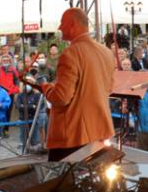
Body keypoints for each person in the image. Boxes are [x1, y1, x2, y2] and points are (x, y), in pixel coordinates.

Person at [40, 8, 116, 161]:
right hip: (100, 130)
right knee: (96, 182)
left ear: (72, 24)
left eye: (62, 23)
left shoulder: (70, 54)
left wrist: (46, 88)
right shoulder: (106, 53)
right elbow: (108, 88)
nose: (60, 27)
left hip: (73, 136)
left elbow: (61, 98)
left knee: (62, 182)